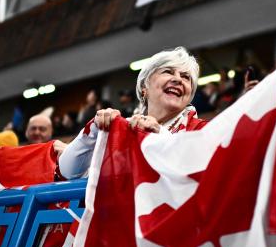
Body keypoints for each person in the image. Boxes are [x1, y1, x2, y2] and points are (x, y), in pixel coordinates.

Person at [59, 47, 206, 179]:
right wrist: (95, 131)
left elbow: (198, 172)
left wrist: (159, 133)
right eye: (168, 72)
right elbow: (68, 171)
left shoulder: (203, 132)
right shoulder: (122, 128)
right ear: (144, 88)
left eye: (186, 77)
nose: (178, 79)